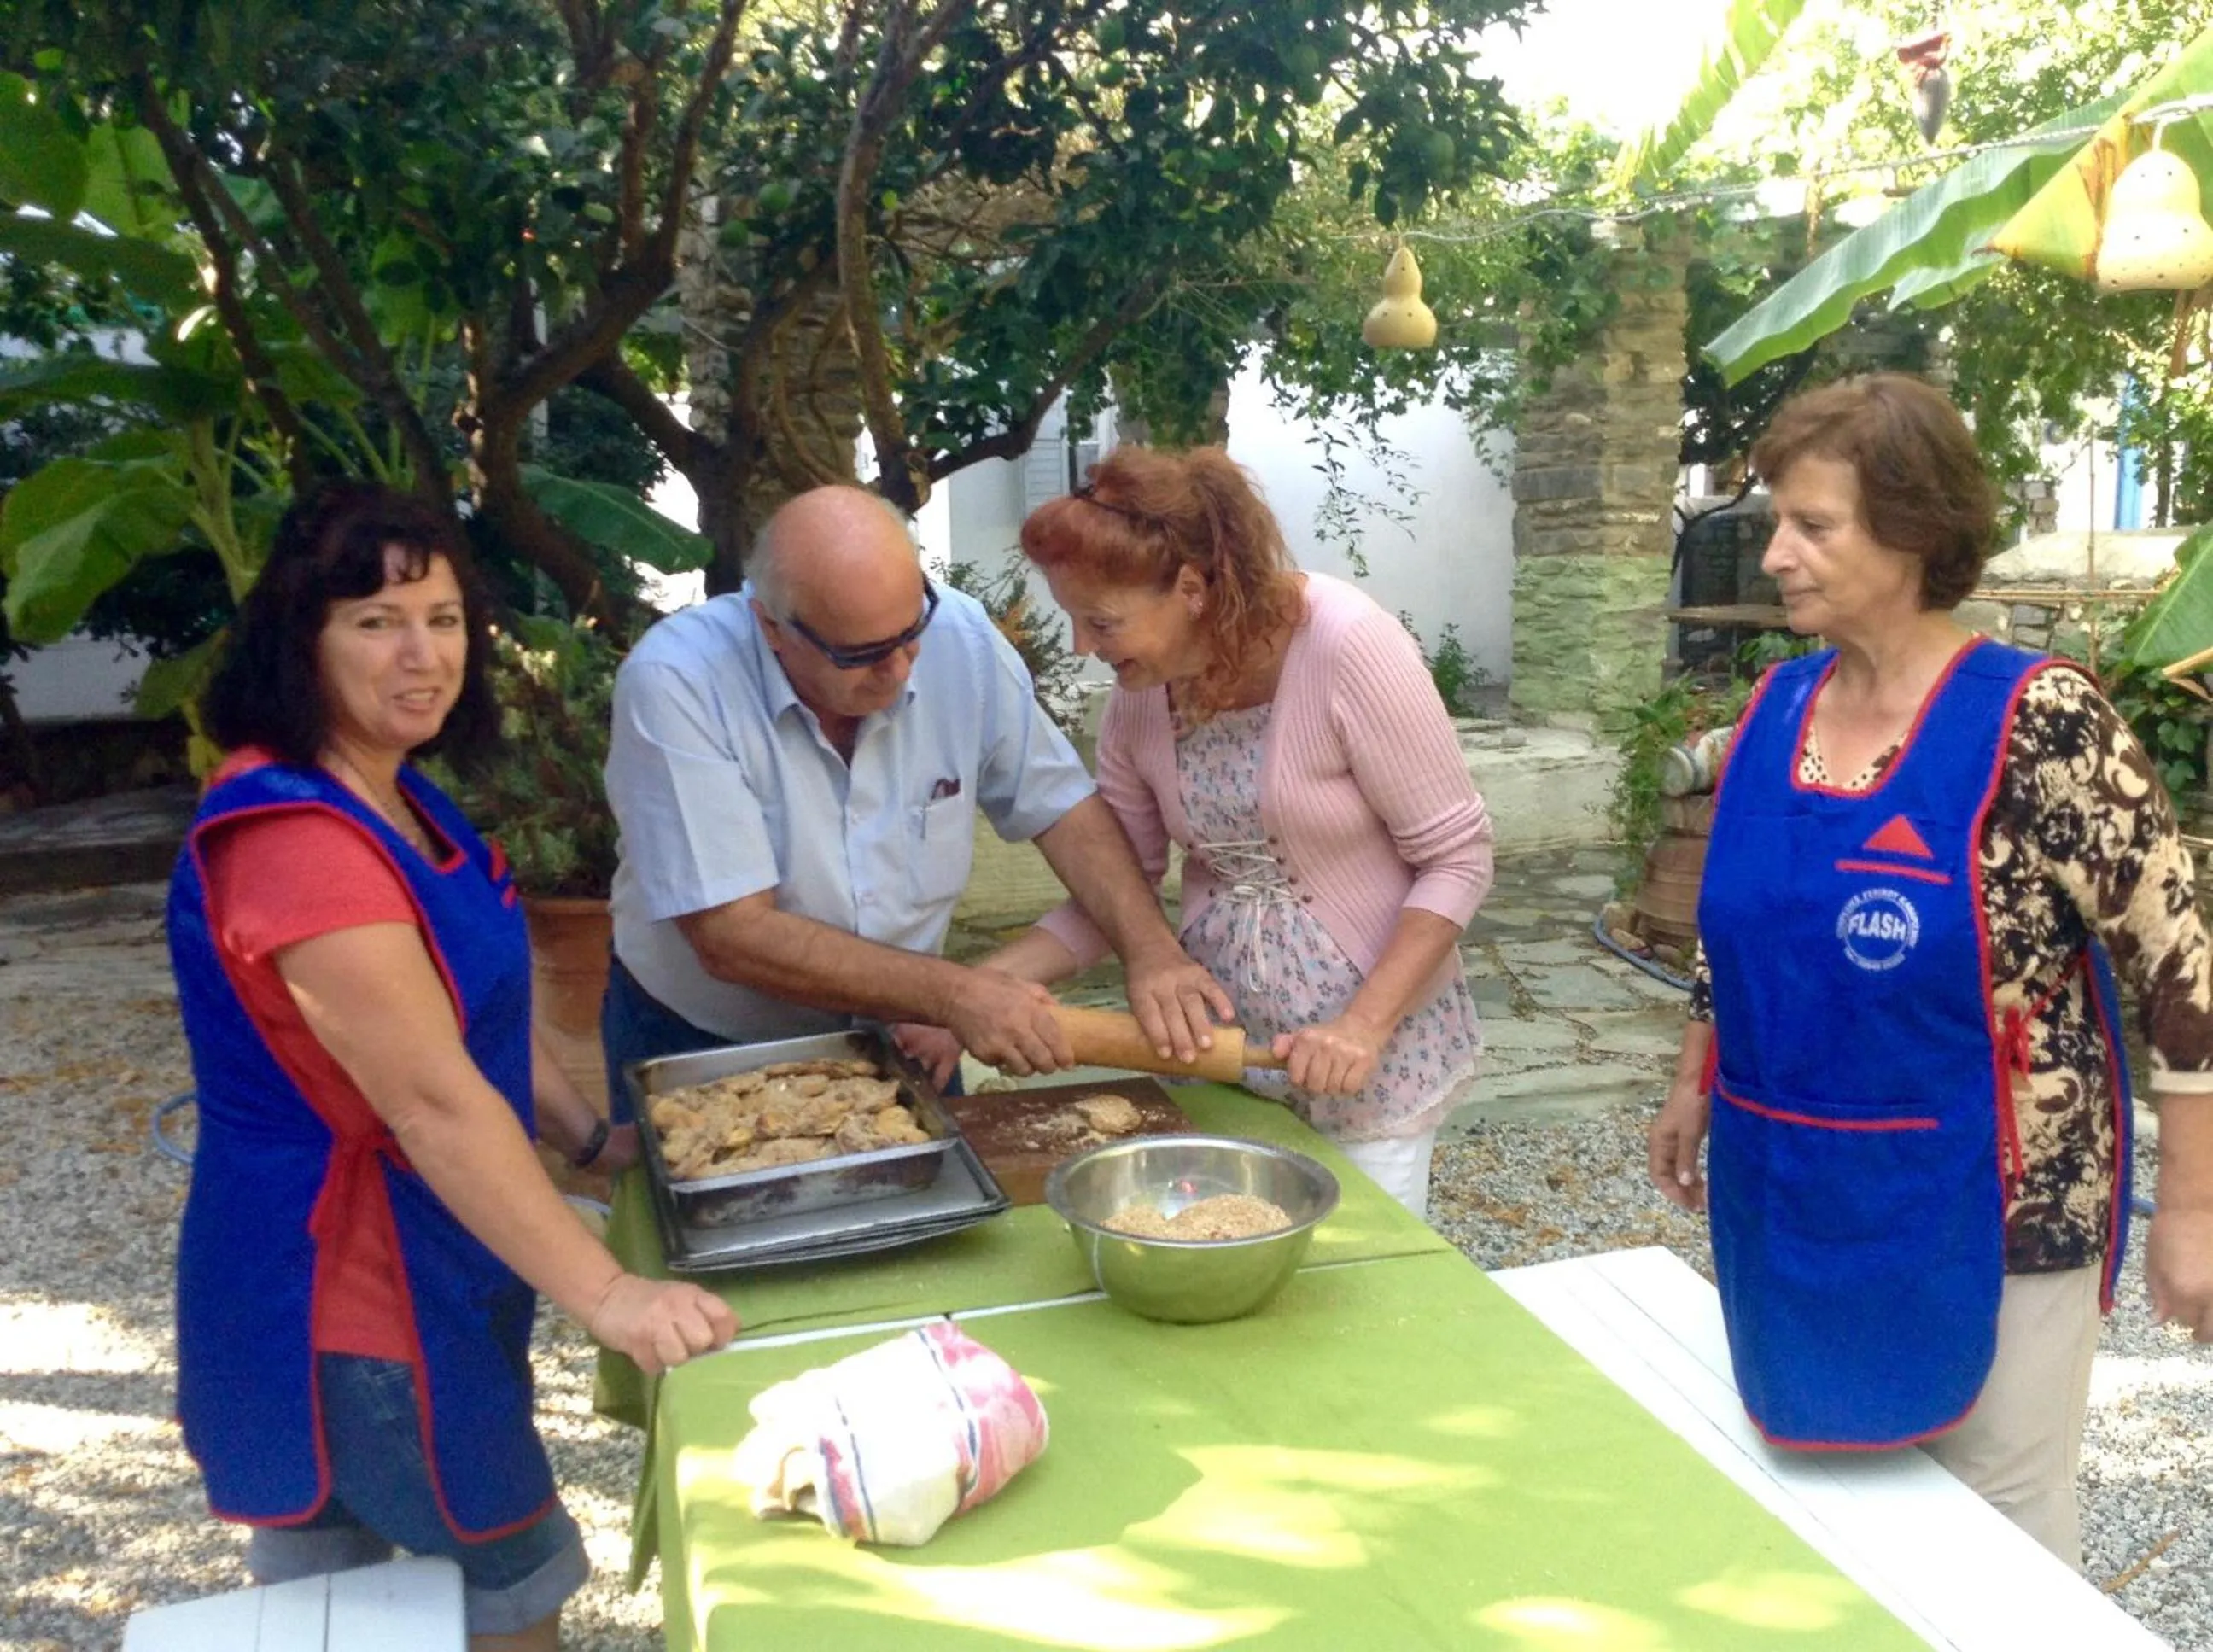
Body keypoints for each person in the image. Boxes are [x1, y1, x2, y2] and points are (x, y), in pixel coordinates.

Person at [1644, 373, 2213, 1568]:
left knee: (1993, 1549)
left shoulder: (2040, 718)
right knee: (1828, 1515)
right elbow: (1741, 918)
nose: (1777, 554)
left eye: (1814, 525)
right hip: (1792, 1177)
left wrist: (2198, 1212)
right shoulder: (1778, 701)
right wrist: (1697, 1068)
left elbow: (2183, 972)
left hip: (1995, 1206)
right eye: (1775, 520)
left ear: (1911, 530)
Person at [168, 484, 735, 1651]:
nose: (424, 655)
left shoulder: (399, 797)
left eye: (446, 618)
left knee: (332, 1604)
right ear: (301, 634)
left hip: (433, 1254)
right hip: (345, 1279)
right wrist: (613, 1293)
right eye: (378, 620)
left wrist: (591, 1141)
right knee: (511, 1578)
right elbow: (430, 1097)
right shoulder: (295, 837)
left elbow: (480, 1005)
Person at [983, 445, 1493, 1218]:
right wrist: (985, 984)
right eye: (1074, 620)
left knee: (1361, 1282)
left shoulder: (1349, 645)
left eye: (1102, 621)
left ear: (1191, 588)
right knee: (1223, 1248)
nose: (1085, 646)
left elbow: (1458, 857)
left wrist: (1361, 1026)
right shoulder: (1140, 690)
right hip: (1222, 1050)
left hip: (1367, 1055)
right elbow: (1120, 884)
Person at [600, 484, 1229, 1110]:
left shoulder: (960, 636)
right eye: (862, 653)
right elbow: (732, 933)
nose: (901, 668)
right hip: (705, 1037)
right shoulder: (677, 683)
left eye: (910, 631)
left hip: (907, 1032)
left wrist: (1151, 952)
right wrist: (956, 995)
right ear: (772, 627)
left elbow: (1065, 809)